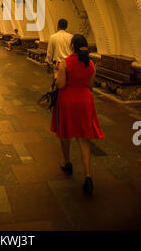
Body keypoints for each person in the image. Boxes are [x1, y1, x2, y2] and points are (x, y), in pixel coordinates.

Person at [50, 34, 104, 195]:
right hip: (85, 100)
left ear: (72, 46)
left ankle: (67, 163)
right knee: (83, 137)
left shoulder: (66, 62)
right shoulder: (91, 63)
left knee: (66, 134)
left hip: (68, 100)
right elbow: (90, 84)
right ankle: (88, 175)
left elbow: (61, 84)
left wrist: (56, 71)